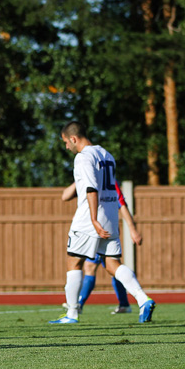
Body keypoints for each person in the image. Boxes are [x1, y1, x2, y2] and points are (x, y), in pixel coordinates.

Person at [50, 121, 155, 324]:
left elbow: (91, 189)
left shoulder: (83, 157)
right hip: (110, 216)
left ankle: (71, 314)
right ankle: (143, 299)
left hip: (90, 219)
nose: (66, 147)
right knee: (112, 264)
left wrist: (92, 219)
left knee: (74, 262)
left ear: (73, 138)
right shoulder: (107, 155)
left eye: (65, 142)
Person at [61, 181, 142, 314]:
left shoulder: (107, 180)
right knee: (108, 268)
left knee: (103, 267)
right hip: (92, 230)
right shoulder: (87, 178)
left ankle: (77, 305)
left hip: (99, 231)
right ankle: (126, 303)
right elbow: (65, 196)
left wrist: (133, 230)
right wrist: (79, 179)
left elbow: (122, 205)